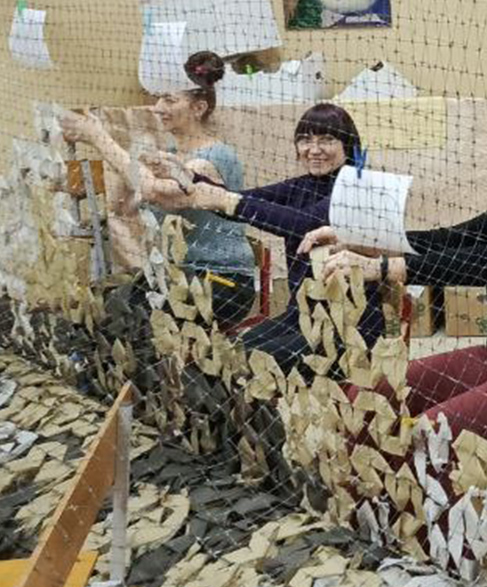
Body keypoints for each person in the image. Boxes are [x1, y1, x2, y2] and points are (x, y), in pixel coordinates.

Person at [307, 111, 487, 451]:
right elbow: (450, 239)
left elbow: (484, 264)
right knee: (368, 396)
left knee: (430, 437)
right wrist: (361, 241)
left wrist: (383, 267)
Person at [149, 101, 383, 369]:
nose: (314, 149)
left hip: (348, 329)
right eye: (305, 140)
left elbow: (303, 223)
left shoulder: (358, 185)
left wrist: (229, 201)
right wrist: (190, 177)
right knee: (222, 357)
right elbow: (243, 201)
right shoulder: (302, 185)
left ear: (348, 145)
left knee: (242, 364)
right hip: (301, 316)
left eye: (327, 140)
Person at [60, 51, 257, 330]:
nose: (157, 107)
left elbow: (155, 192)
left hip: (221, 282)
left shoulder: (213, 158)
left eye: (169, 100)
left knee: (133, 326)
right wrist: (131, 160)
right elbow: (125, 203)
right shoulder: (170, 155)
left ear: (199, 108)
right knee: (94, 315)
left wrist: (99, 137)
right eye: (158, 98)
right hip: (177, 275)